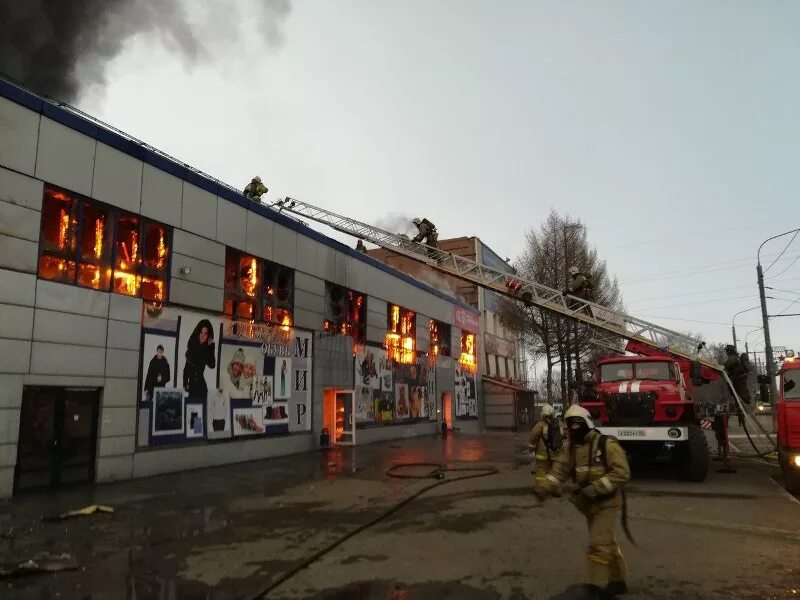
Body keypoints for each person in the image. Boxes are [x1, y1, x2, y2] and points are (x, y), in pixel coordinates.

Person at [535, 405, 631, 599]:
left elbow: (622, 473)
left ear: (586, 423)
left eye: (575, 426)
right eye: (569, 427)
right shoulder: (571, 448)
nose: (572, 431)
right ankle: (618, 580)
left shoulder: (606, 444)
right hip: (588, 504)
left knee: (597, 543)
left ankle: (593, 587)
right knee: (607, 542)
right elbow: (559, 471)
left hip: (607, 503)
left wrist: (597, 488)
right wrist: (545, 487)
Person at [528, 403, 564, 486]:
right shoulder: (559, 424)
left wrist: (531, 448)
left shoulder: (540, 425)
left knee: (541, 471)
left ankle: (541, 488)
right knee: (555, 472)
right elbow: (564, 435)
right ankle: (556, 489)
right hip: (556, 452)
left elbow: (533, 437)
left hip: (542, 454)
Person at [183, 319, 216, 399]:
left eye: (205, 333)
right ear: (198, 333)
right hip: (191, 388)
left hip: (201, 389)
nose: (202, 335)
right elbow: (186, 368)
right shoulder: (191, 349)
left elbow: (212, 365)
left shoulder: (206, 350)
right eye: (201, 332)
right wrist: (185, 383)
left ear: (208, 336)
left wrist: (211, 347)